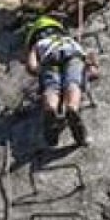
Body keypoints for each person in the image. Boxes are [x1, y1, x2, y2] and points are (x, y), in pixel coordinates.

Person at [24, 15, 89, 147]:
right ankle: (72, 108)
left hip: (49, 59)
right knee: (73, 83)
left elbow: (32, 65)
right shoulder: (67, 38)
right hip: (72, 54)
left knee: (51, 88)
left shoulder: (38, 44)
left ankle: (51, 109)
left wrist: (38, 71)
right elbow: (89, 61)